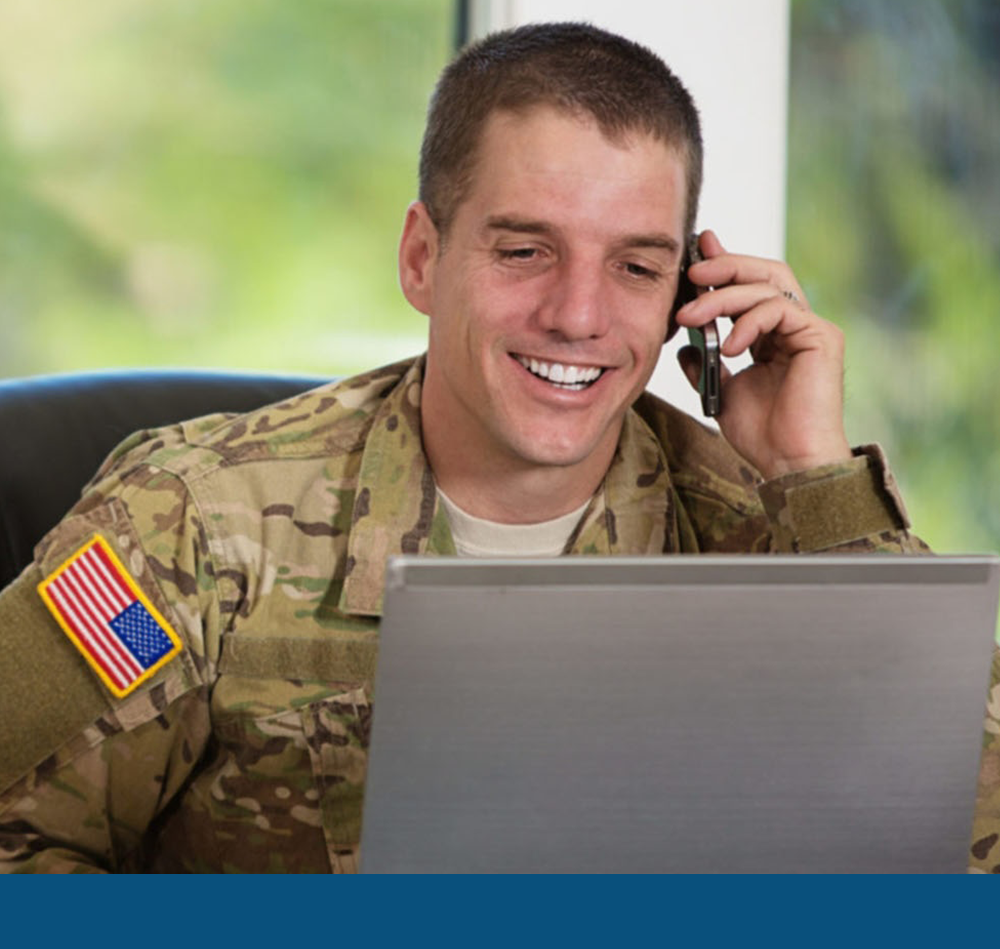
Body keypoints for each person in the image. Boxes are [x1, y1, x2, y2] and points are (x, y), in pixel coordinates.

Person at [0, 21, 990, 874]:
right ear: (424, 258)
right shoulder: (194, 519)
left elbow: (969, 850)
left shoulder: (757, 533)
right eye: (523, 251)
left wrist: (815, 484)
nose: (577, 315)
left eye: (636, 267)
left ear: (687, 298)